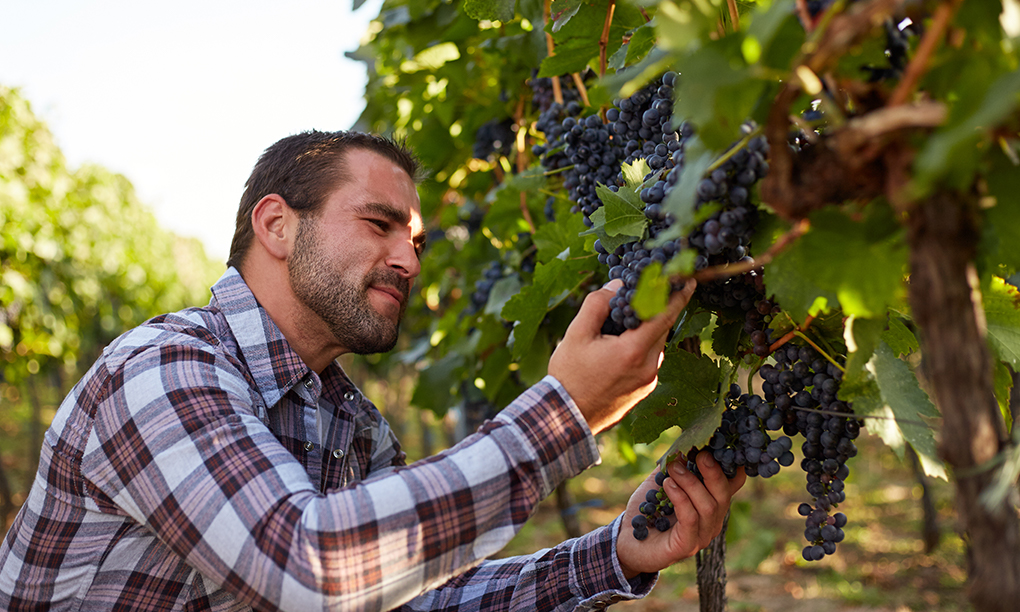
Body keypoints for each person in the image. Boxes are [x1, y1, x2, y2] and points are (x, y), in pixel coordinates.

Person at [0, 131, 744, 611]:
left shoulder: (352, 427)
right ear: (276, 225)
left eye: (416, 240)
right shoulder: (161, 370)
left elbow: (408, 596)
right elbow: (309, 568)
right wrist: (563, 413)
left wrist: (609, 552)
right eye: (379, 223)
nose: (410, 259)